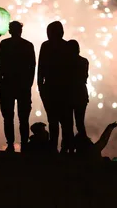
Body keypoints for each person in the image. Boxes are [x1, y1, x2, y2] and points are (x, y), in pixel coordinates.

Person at [0, 21, 36, 152]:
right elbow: (32, 67)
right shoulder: (28, 45)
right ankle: (24, 144)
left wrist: (0, 83)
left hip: (8, 85)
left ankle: (10, 144)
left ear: (10, 30)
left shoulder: (4, 44)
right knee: (23, 118)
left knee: (8, 118)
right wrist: (29, 84)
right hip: (23, 86)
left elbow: (1, 65)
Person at [38, 21, 73, 153]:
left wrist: (40, 87)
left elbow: (40, 69)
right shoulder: (66, 46)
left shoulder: (45, 46)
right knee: (65, 121)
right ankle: (65, 147)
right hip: (63, 88)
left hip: (51, 88)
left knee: (53, 120)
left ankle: (54, 147)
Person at [67, 40, 89, 136]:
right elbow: (84, 77)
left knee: (67, 124)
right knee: (80, 123)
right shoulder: (84, 61)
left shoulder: (65, 63)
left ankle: (68, 146)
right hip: (81, 94)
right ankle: (83, 146)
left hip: (68, 94)